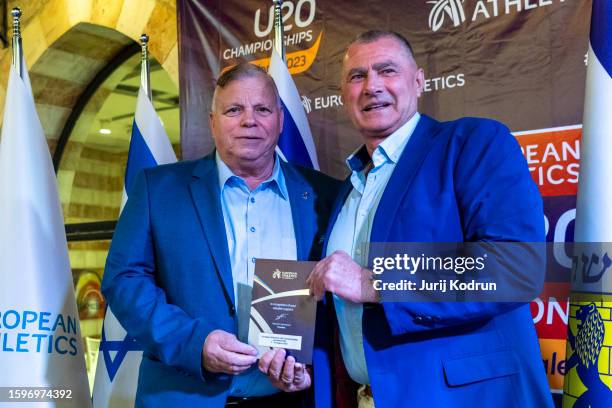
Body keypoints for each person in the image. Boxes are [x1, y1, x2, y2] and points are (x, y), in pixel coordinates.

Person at [307, 30, 553, 408]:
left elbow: (515, 267)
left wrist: (374, 283)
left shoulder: (473, 143)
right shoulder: (347, 188)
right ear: (344, 94)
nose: (372, 85)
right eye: (357, 76)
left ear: (419, 82)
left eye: (387, 70)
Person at [102, 62, 338, 407]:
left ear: (280, 120)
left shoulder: (324, 195)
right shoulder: (159, 189)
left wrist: (310, 367)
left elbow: (335, 301)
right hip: (184, 395)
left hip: (291, 400)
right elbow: (123, 280)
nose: (249, 120)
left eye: (262, 109)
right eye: (233, 110)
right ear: (212, 122)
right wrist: (193, 343)